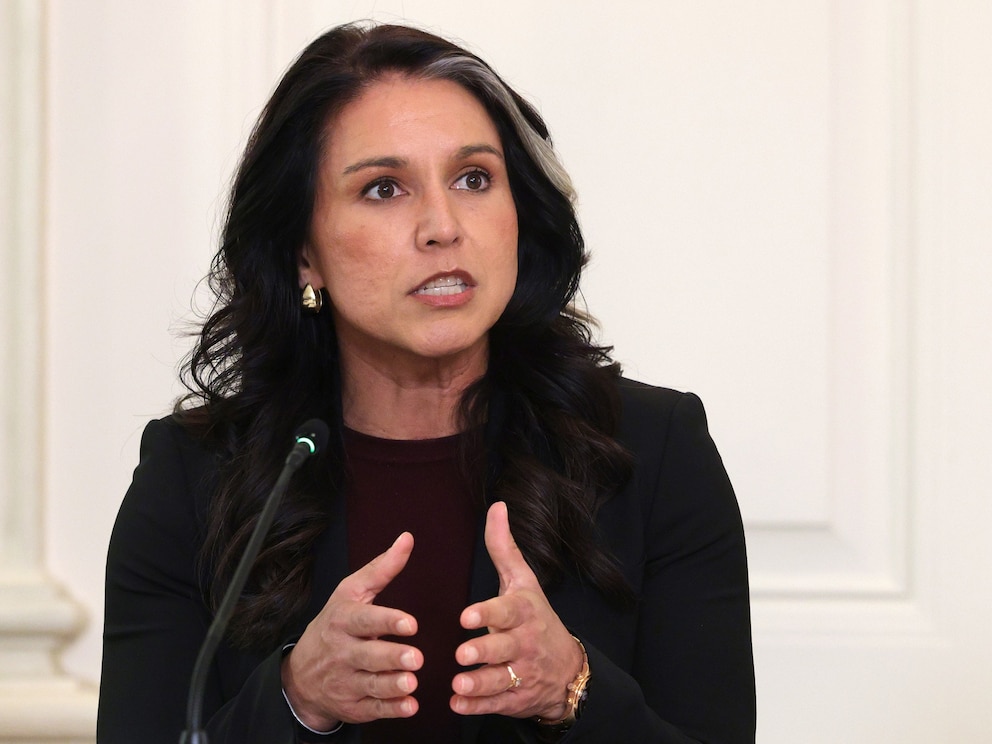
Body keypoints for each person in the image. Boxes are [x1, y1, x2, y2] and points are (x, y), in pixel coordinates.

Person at [97, 22, 755, 744]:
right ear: (303, 254)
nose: (442, 226)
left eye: (474, 179)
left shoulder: (654, 455)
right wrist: (296, 700)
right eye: (384, 189)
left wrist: (573, 686)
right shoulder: (192, 478)